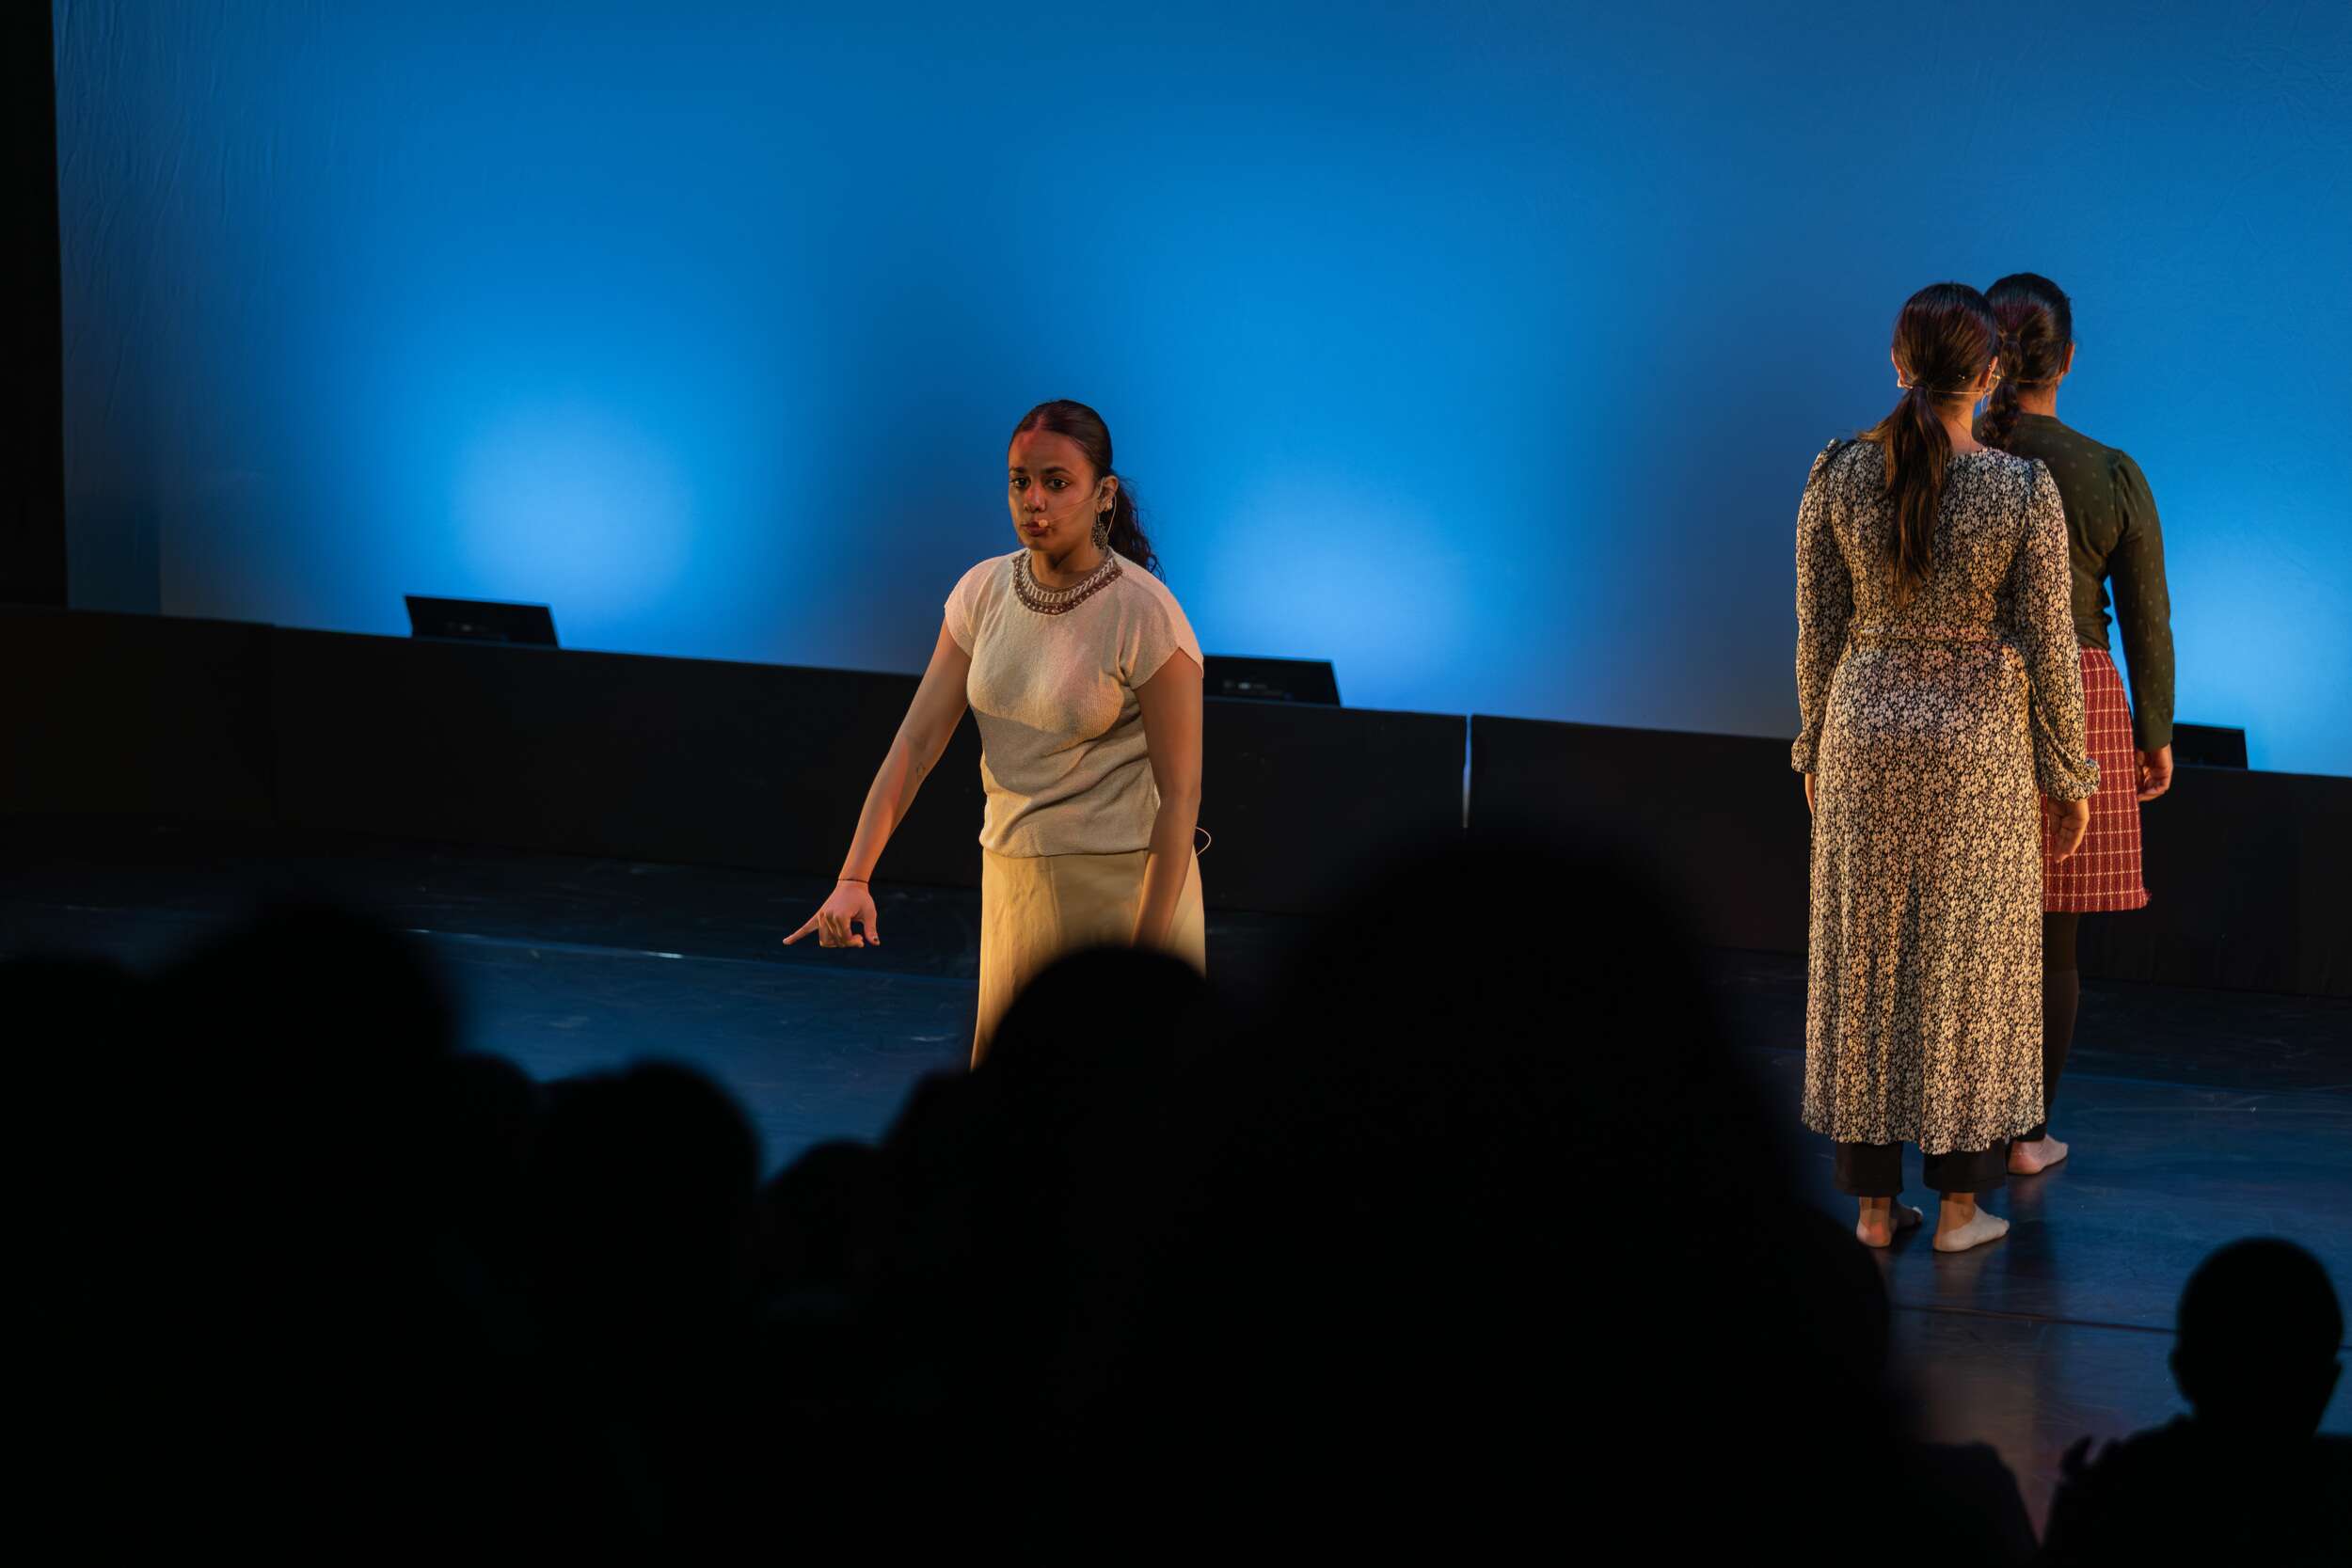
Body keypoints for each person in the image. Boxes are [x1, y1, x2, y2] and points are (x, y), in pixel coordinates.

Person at [1793, 283, 2098, 1254]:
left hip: (1865, 732)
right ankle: (1961, 1209)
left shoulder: (1836, 472)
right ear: (1990, 372)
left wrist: (1813, 742)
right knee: (1972, 964)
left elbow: (1818, 630)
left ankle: (1872, 1208)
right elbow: (2050, 645)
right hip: (1977, 747)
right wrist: (2069, 773)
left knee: (1865, 958)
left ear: (1898, 364)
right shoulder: (2020, 489)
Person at [785, 400, 1205, 1062]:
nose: (1034, 500)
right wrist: (853, 877)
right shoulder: (983, 592)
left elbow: (1180, 797)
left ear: (1103, 495)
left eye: (1057, 482)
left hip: (1122, 895)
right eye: (1020, 481)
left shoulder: (1145, 613)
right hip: (1012, 882)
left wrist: (1143, 968)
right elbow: (916, 744)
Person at [1978, 273, 2176, 1179]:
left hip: (1965, 694)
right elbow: (2145, 617)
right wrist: (2155, 731)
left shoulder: (1954, 459)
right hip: (2081, 695)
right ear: (2067, 360)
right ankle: (2027, 1134)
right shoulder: (2106, 471)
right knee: (2052, 935)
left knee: (1967, 926)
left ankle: (1955, 1135)